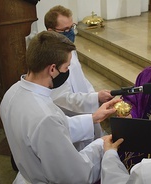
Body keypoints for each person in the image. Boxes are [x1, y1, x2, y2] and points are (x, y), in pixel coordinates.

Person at [0, 31, 121, 184]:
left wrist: (92, 118)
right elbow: (74, 175)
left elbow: (54, 130)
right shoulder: (45, 117)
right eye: (66, 67)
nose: (67, 72)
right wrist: (101, 146)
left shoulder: (12, 93)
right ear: (52, 69)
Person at [44, 5, 113, 150]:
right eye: (65, 30)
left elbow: (82, 80)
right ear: (51, 31)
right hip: (72, 119)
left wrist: (95, 95)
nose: (71, 33)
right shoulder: (48, 60)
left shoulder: (68, 49)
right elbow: (61, 98)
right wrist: (93, 100)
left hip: (86, 109)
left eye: (72, 27)